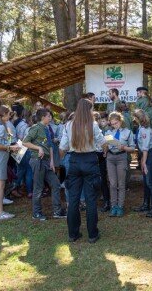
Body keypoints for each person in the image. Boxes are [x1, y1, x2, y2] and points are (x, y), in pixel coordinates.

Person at [59, 99, 105, 243]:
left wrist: (64, 161)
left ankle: (73, 233)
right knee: (91, 199)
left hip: (74, 161)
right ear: (88, 110)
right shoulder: (93, 125)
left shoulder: (69, 125)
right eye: (92, 109)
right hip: (90, 161)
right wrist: (104, 152)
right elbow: (102, 142)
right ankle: (92, 234)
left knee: (73, 199)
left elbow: (62, 147)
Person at [23, 108, 67, 220]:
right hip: (38, 161)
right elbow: (25, 142)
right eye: (49, 116)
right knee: (38, 188)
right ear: (43, 117)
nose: (50, 117)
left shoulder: (47, 128)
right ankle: (36, 213)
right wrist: (38, 148)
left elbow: (50, 145)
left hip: (47, 162)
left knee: (56, 183)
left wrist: (52, 161)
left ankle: (57, 211)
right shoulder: (36, 128)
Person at [0, 105, 21, 220]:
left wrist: (10, 146)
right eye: (8, 114)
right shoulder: (1, 127)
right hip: (0, 157)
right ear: (3, 115)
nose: (10, 116)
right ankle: (0, 213)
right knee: (0, 185)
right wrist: (10, 148)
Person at [104, 112, 135, 217]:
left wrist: (124, 148)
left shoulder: (128, 132)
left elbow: (132, 148)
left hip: (122, 157)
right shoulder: (108, 132)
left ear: (120, 121)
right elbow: (105, 146)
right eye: (112, 124)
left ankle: (120, 207)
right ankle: (113, 206)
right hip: (110, 157)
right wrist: (105, 148)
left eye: (116, 123)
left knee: (121, 184)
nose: (114, 125)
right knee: (112, 183)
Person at [133, 109, 152, 217]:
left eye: (135, 117)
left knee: (149, 182)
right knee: (146, 182)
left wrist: (144, 162)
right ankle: (146, 204)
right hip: (145, 154)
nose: (133, 119)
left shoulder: (145, 130)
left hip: (150, 155)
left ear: (139, 118)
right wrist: (142, 159)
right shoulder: (141, 128)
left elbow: (146, 147)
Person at [13, 108, 33, 198]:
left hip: (19, 148)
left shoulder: (18, 124)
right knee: (27, 170)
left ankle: (17, 187)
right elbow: (22, 138)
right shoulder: (26, 126)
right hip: (24, 148)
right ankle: (28, 191)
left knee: (20, 169)